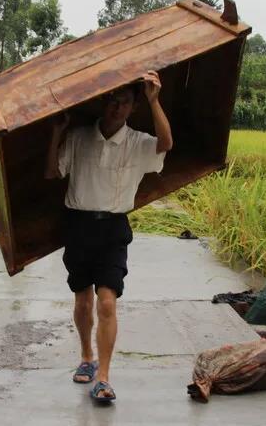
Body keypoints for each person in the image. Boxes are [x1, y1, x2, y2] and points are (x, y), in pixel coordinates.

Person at [44, 70, 172, 403]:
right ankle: (87, 357)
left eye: (125, 102)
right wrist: (56, 133)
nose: (117, 107)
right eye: (112, 100)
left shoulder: (138, 142)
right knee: (82, 298)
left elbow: (166, 144)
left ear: (132, 108)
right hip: (78, 226)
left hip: (113, 229)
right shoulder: (79, 137)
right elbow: (50, 172)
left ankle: (103, 377)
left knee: (107, 301)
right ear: (103, 101)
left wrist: (154, 100)